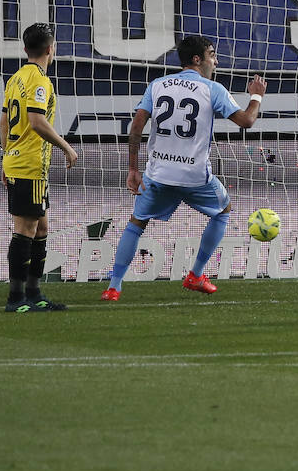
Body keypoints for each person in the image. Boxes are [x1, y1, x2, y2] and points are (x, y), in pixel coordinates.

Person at [102, 36, 265, 300]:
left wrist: (132, 168)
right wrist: (256, 95)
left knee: (137, 222)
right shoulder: (212, 89)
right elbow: (247, 121)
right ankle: (196, 275)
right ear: (197, 59)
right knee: (223, 210)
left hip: (159, 174)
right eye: (212, 54)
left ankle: (113, 287)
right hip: (194, 176)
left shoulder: (157, 85)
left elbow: (137, 125)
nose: (216, 60)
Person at [0, 23, 79, 312]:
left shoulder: (15, 78)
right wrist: (66, 147)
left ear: (25, 49)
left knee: (41, 227)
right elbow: (36, 120)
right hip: (29, 164)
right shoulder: (40, 81)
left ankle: (34, 293)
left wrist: (5, 156)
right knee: (25, 229)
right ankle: (15, 299)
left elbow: (5, 121)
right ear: (50, 49)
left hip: (19, 161)